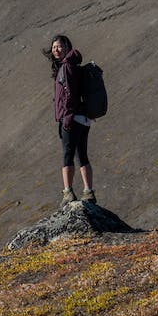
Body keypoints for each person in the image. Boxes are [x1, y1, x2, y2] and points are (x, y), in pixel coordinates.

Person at [45, 34, 96, 206]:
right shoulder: (73, 64)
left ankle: (68, 193)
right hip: (83, 118)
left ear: (67, 47)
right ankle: (89, 192)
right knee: (82, 155)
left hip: (71, 118)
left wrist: (66, 117)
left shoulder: (66, 67)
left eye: (59, 46)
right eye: (53, 47)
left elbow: (68, 94)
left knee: (67, 155)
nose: (56, 50)